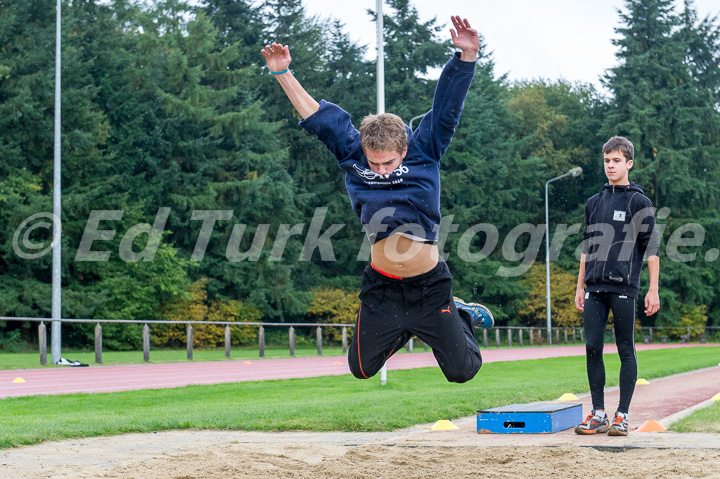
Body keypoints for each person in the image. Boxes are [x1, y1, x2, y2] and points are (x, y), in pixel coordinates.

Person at [261, 15, 493, 384]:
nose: (382, 170)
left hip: (429, 286)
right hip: (383, 286)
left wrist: (465, 58)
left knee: (463, 372)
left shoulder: (424, 148)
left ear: (404, 148)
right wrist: (282, 73)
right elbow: (315, 115)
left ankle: (460, 316)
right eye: (375, 163)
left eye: (389, 162)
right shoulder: (352, 151)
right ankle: (407, 327)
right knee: (362, 368)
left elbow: (448, 108)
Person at [574, 136, 660, 436]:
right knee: (592, 348)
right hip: (594, 288)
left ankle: (622, 415)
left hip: (625, 287)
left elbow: (652, 249)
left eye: (616, 161)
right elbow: (587, 247)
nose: (610, 166)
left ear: (629, 164)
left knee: (625, 349)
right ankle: (598, 413)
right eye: (607, 161)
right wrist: (579, 285)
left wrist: (653, 289)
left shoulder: (639, 202)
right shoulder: (593, 203)